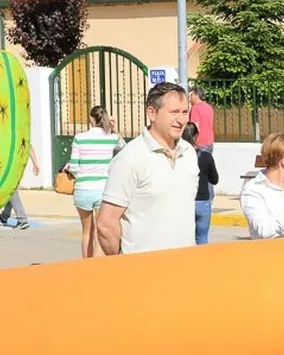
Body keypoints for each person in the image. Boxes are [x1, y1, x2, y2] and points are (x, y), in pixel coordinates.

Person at [98, 83, 200, 255]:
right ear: (152, 113)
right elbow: (106, 224)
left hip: (185, 263)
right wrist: (122, 261)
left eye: (184, 112)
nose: (181, 120)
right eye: (174, 112)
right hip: (144, 267)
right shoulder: (130, 158)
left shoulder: (189, 153)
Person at [65, 106, 125, 256]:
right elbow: (124, 148)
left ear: (91, 119)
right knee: (100, 233)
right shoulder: (111, 138)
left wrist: (82, 175)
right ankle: (97, 266)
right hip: (102, 189)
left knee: (86, 232)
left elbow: (73, 166)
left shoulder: (79, 138)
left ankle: (86, 264)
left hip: (82, 189)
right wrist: (114, 129)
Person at [182, 122, 218, 245]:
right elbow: (214, 179)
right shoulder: (205, 156)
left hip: (185, 202)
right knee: (202, 238)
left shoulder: (179, 157)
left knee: (185, 240)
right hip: (203, 201)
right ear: (196, 136)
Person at [1, 146, 40, 230]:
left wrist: (35, 163)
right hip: (8, 164)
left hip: (11, 165)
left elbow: (27, 144)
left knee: (11, 189)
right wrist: (35, 163)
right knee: (11, 189)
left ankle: (18, 218)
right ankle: (8, 216)